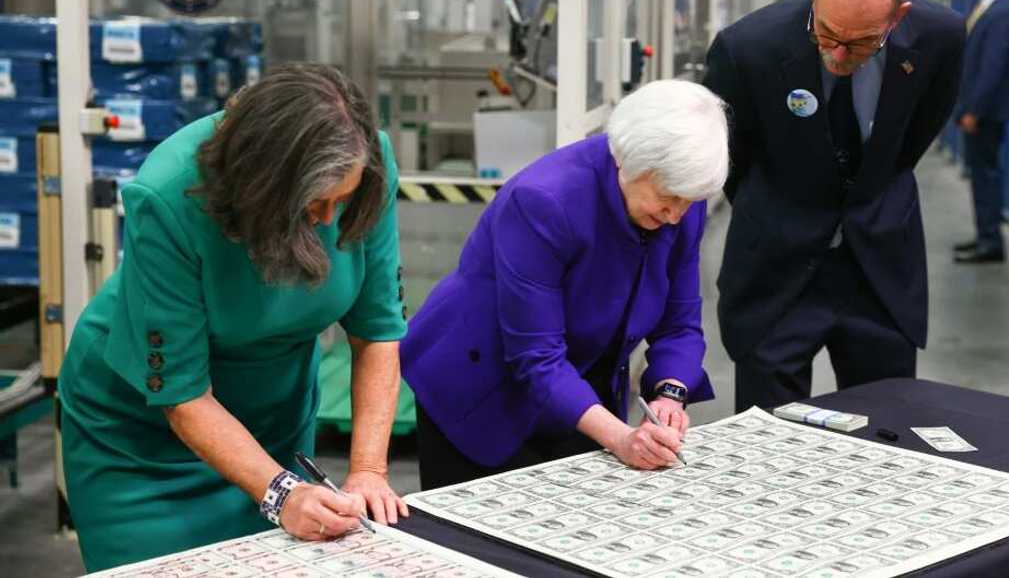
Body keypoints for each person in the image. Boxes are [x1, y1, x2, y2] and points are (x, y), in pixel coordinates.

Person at [59, 64, 410, 572]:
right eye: (316, 203)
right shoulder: (168, 193)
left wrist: (369, 472)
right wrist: (281, 495)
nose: (331, 222)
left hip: (273, 422)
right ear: (263, 187)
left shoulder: (362, 163)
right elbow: (181, 394)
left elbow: (377, 333)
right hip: (141, 442)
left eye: (343, 201)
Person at [401, 80, 729, 489]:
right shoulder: (544, 201)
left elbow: (680, 323)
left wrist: (670, 395)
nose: (677, 215)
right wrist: (621, 438)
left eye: (688, 201)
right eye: (668, 197)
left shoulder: (679, 201)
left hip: (579, 380)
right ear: (628, 162)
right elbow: (537, 356)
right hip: (483, 389)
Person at [703, 0, 965, 412]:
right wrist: (786, 208)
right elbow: (731, 159)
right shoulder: (747, 48)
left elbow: (911, 141)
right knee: (767, 436)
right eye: (826, 34)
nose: (839, 55)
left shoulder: (940, 39)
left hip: (878, 263)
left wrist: (865, 196)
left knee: (885, 433)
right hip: (777, 266)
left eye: (862, 42)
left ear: (898, 15)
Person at [954, 0, 1009, 264]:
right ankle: (985, 235)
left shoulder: (1004, 10)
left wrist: (974, 110)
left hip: (987, 111)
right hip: (981, 108)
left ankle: (991, 242)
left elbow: (993, 67)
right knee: (981, 174)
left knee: (986, 174)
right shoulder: (989, 6)